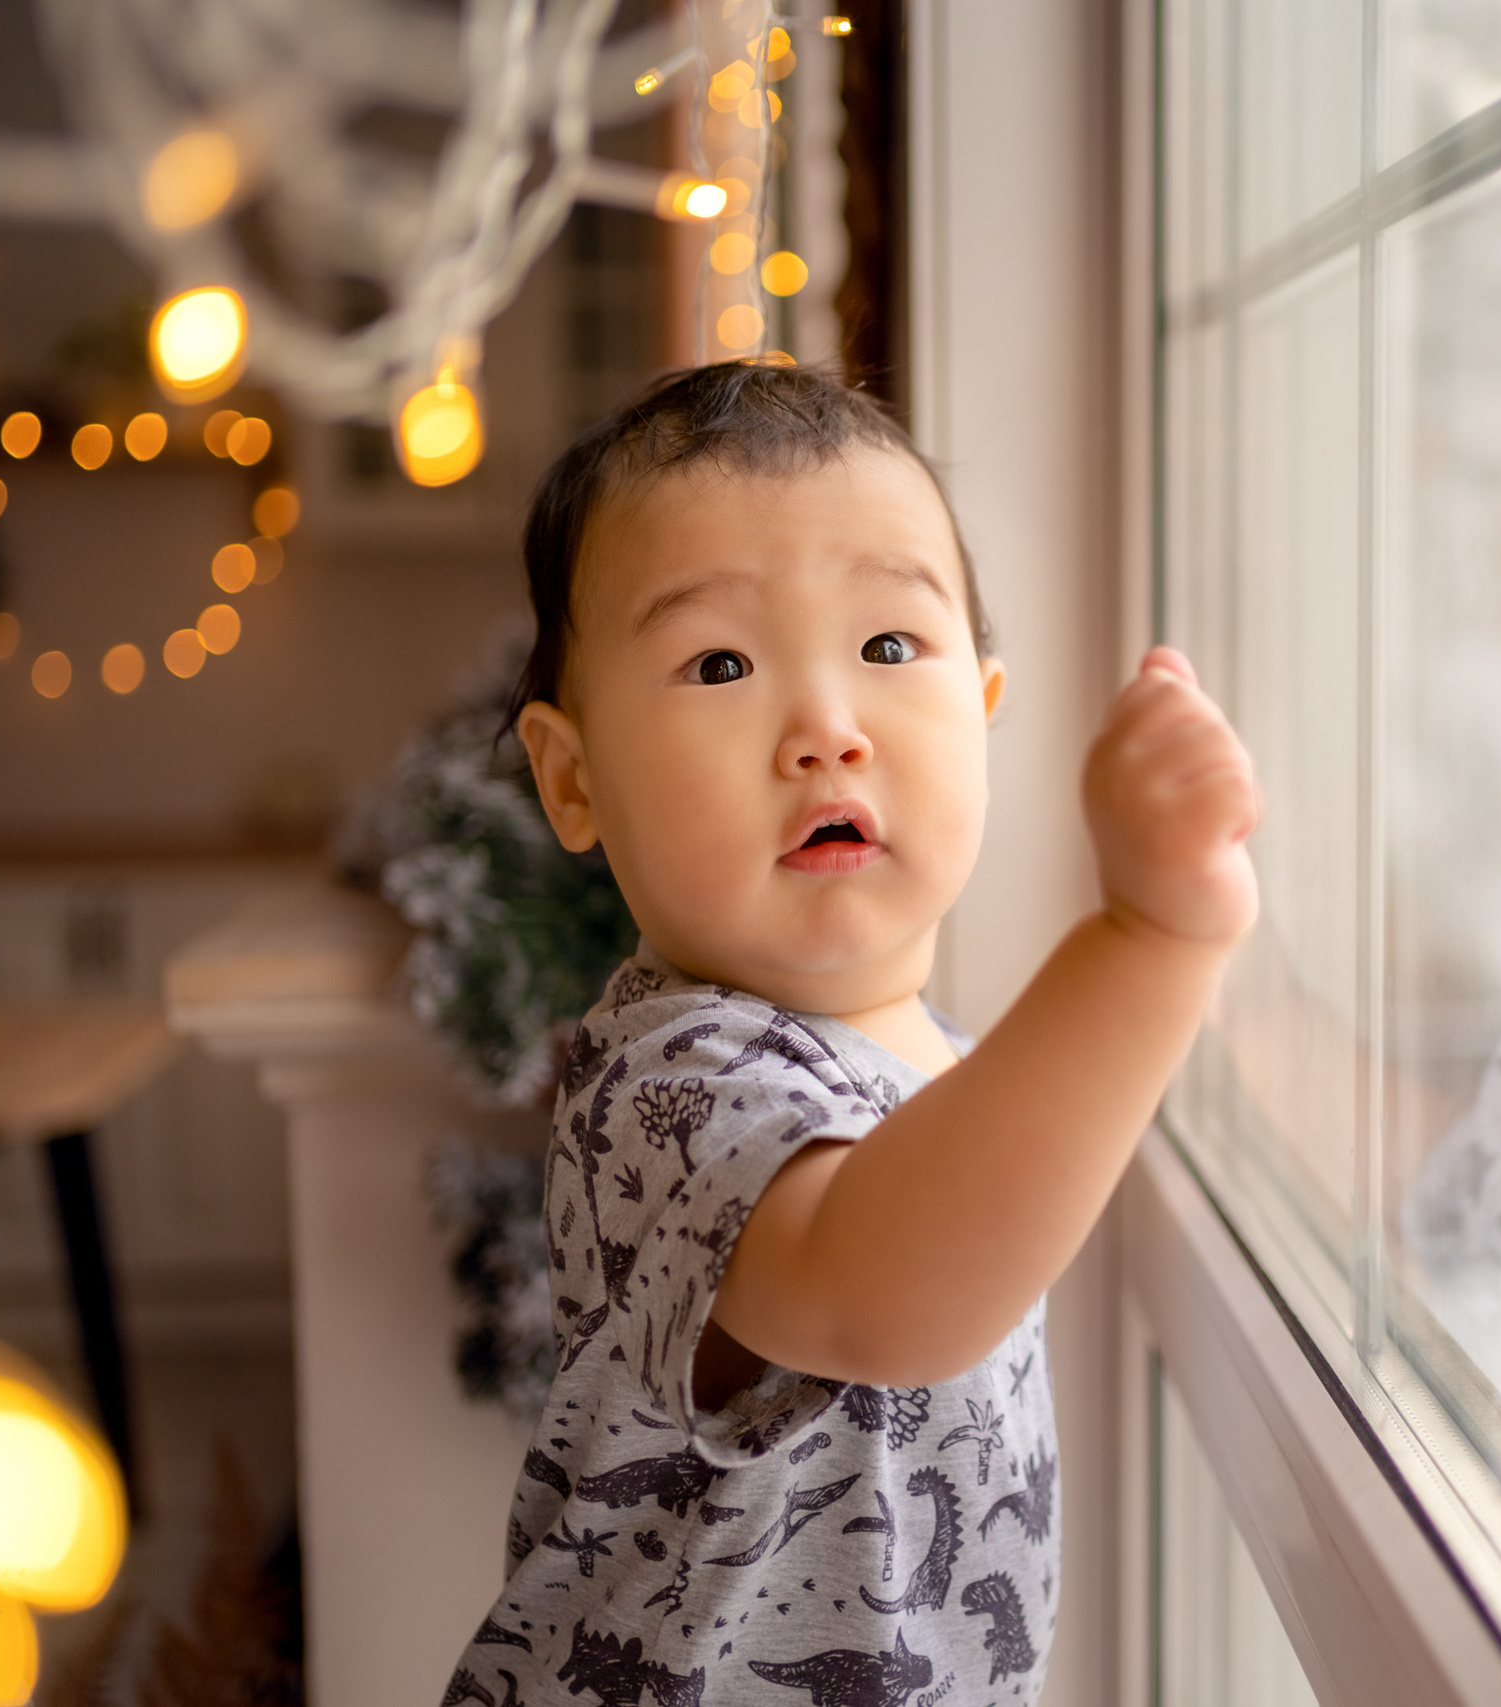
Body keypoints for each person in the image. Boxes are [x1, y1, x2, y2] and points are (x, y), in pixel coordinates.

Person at [444, 360, 1258, 1707]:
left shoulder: (926, 1053)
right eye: (719, 663)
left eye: (888, 648)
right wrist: (1151, 942)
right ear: (573, 778)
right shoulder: (671, 1081)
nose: (826, 730)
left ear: (984, 714)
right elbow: (887, 1291)